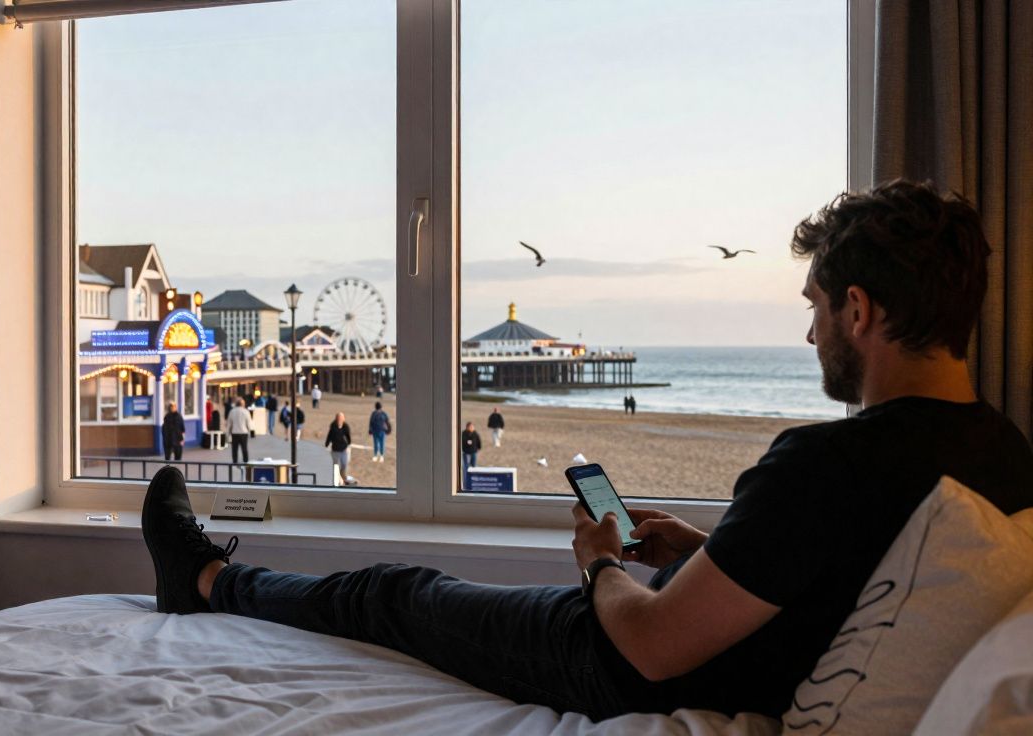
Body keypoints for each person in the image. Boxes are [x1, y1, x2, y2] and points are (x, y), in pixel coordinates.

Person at [138, 181, 1033, 721]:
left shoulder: (825, 463)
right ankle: (213, 583)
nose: (808, 334)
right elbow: (831, 574)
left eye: (814, 304)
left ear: (861, 311)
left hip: (619, 671)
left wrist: (601, 563)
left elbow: (650, 646)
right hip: (730, 650)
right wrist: (702, 551)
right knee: (406, 599)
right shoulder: (1003, 459)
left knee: (395, 597)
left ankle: (209, 583)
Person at [324, 412, 352, 483]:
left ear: (343, 419)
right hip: (335, 450)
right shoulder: (333, 426)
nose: (340, 419)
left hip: (343, 449)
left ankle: (343, 477)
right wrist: (326, 444)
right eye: (338, 418)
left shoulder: (346, 427)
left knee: (344, 464)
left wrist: (348, 444)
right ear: (336, 418)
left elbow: (348, 436)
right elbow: (329, 436)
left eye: (341, 418)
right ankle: (336, 481)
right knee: (336, 466)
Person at [227, 398, 252, 465]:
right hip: (244, 433)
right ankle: (246, 461)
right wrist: (251, 431)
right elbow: (249, 423)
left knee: (234, 449)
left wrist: (227, 434)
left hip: (235, 433)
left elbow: (229, 424)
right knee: (244, 448)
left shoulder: (232, 411)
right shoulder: (246, 411)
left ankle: (235, 461)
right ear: (243, 404)